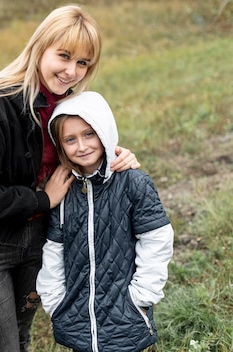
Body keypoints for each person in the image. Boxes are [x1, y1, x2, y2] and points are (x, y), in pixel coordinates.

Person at [0, 4, 140, 351]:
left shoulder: (68, 108)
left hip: (39, 239)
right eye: (64, 56)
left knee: (22, 336)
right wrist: (43, 199)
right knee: (4, 346)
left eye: (83, 62)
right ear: (41, 47)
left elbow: (85, 148)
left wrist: (119, 155)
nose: (72, 71)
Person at [36, 91, 174, 352]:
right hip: (76, 315)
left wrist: (141, 298)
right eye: (70, 139)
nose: (82, 146)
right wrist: (55, 301)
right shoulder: (62, 190)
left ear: (104, 130)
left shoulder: (133, 182)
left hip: (126, 313)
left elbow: (157, 240)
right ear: (60, 145)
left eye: (89, 134)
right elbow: (53, 250)